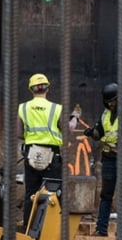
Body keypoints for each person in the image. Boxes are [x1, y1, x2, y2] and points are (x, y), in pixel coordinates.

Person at [17, 73, 79, 230]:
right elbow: (68, 129)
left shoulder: (23, 108)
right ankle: (51, 230)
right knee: (54, 194)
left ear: (31, 89)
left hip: (31, 154)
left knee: (30, 194)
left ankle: (28, 229)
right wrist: (75, 117)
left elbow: (19, 133)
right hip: (52, 156)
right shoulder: (56, 109)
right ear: (47, 88)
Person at [84, 82, 122, 236]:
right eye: (108, 102)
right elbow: (99, 134)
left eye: (113, 101)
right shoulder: (105, 114)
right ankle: (101, 229)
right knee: (106, 195)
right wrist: (92, 132)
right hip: (109, 159)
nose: (110, 104)